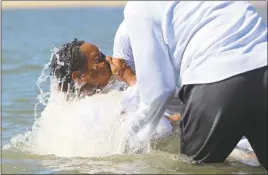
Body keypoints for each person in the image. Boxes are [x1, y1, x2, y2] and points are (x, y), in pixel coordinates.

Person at [110, 1, 267, 169]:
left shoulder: (139, 7)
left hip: (215, 82)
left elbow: (159, 92)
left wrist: (126, 148)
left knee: (192, 169)